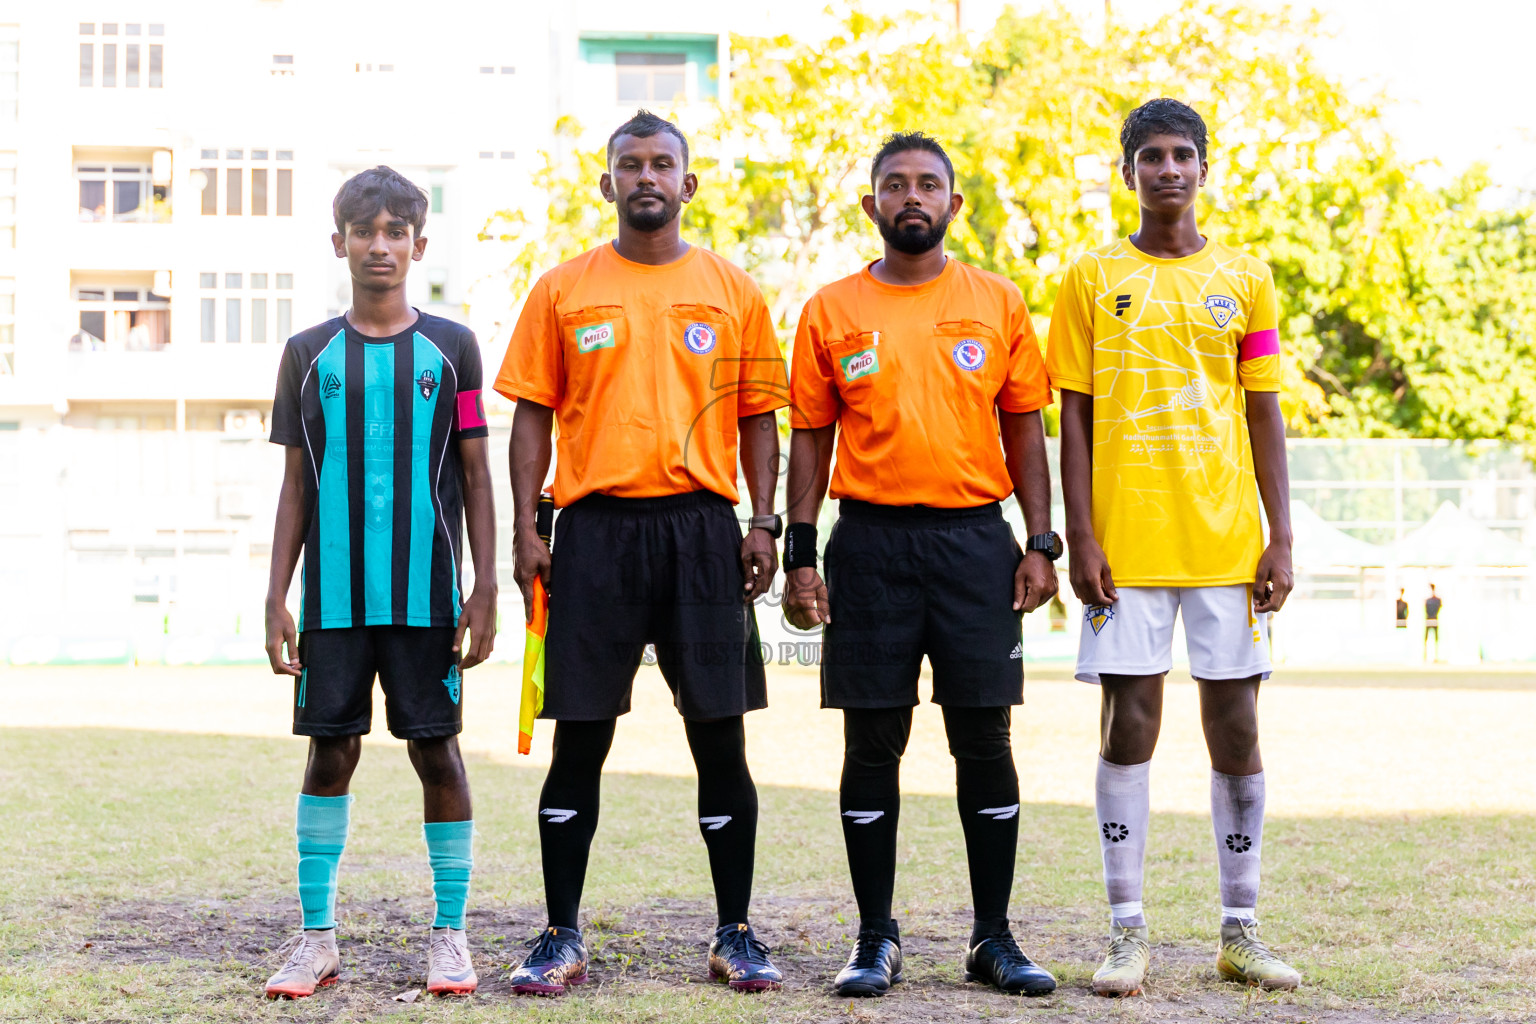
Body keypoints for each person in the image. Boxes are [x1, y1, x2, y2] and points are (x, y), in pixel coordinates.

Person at [495, 110, 787, 995]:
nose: (647, 177)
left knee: (720, 741)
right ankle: (559, 933)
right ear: (608, 183)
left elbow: (757, 419)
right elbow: (531, 413)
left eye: (664, 164)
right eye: (631, 165)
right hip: (594, 535)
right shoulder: (562, 290)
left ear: (688, 184)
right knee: (578, 741)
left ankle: (735, 930)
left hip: (703, 532)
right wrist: (524, 526)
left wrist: (764, 522)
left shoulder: (733, 291)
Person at [783, 131, 1062, 998]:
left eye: (929, 185)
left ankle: (994, 938)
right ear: (871, 206)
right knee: (872, 742)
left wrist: (1041, 541)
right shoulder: (831, 310)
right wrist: (800, 553)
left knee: (984, 739)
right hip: (867, 544)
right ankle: (875, 938)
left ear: (954, 204)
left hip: (978, 543)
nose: (913, 196)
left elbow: (1025, 429)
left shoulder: (998, 302)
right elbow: (811, 437)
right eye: (895, 185)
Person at [1046, 99, 1302, 996]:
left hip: (1228, 546)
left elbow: (1263, 406)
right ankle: (1126, 932)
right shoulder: (1087, 279)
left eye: (1181, 155)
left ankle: (1240, 928)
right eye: (1149, 156)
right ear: (1127, 173)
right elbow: (1071, 414)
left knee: (1236, 727)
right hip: (1127, 546)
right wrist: (1081, 532)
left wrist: (1281, 535)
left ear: (1203, 167)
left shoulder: (1250, 278)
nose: (1166, 169)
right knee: (1132, 726)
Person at [262, 167, 498, 999]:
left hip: (426, 593)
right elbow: (296, 484)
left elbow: (476, 475)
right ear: (340, 244)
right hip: (331, 599)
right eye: (365, 231)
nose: (380, 245)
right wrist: (275, 596)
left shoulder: (454, 349)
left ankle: (450, 935)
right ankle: (317, 937)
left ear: (419, 246)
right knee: (332, 752)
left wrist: (485, 588)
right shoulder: (306, 355)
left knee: (438, 749)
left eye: (397, 231)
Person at [1425, 584, 1442, 661]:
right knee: (1426, 638)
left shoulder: (1437, 600)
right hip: (1429, 619)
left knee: (1436, 639)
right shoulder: (1428, 600)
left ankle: (1436, 656)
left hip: (1434, 619)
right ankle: (1425, 656)